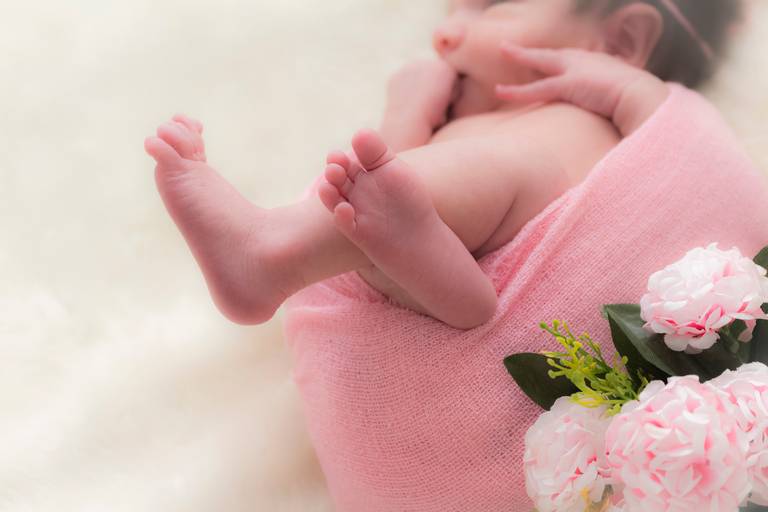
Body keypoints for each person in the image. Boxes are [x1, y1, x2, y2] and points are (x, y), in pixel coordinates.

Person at [144, 1, 753, 509]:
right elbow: (375, 198)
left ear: (619, 40)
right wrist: (411, 120)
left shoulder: (583, 123)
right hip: (454, 312)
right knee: (386, 224)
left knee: (463, 178)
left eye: (489, 7)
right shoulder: (476, 134)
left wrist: (406, 117)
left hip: (501, 305)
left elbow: (386, 184)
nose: (445, 32)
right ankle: (433, 278)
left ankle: (275, 251)